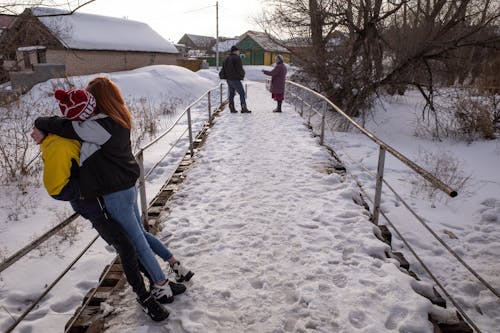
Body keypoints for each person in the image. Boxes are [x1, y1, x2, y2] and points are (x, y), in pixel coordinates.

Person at [33, 79, 194, 306]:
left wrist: (40, 123)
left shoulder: (98, 126)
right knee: (141, 234)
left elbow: (64, 125)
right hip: (129, 186)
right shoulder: (119, 118)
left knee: (137, 241)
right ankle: (176, 264)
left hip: (115, 193)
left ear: (97, 100)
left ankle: (160, 285)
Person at [221, 45, 251, 113]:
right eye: (238, 51)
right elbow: (239, 69)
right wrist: (242, 74)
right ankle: (244, 108)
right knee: (242, 93)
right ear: (235, 51)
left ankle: (231, 108)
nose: (239, 52)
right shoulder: (236, 58)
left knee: (231, 94)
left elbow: (223, 69)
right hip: (235, 79)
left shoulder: (226, 58)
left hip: (228, 79)